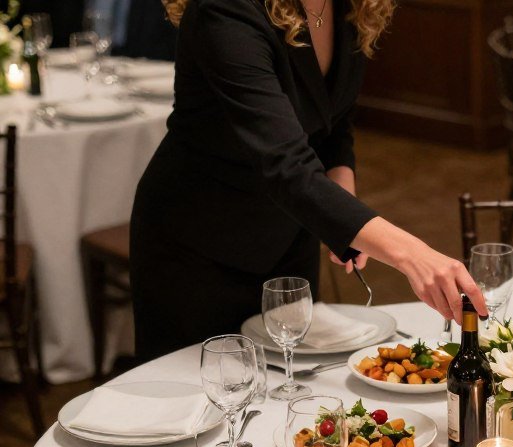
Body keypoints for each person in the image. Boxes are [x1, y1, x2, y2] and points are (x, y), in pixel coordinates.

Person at [130, 0, 486, 361]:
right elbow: (284, 163)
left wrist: (339, 194)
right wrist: (413, 255)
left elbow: (333, 121)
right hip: (201, 247)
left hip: (289, 234)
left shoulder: (351, 6)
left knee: (291, 384)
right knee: (206, 398)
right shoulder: (224, 9)